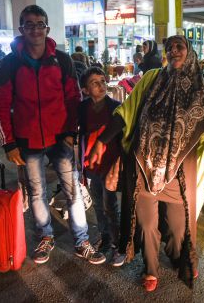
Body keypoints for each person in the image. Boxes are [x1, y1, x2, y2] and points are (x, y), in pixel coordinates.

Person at [89, 35, 204, 291]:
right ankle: (151, 268)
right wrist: (102, 141)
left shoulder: (201, 89)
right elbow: (125, 113)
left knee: (178, 227)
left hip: (181, 172)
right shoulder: (152, 79)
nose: (174, 51)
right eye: (170, 48)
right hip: (143, 166)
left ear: (190, 51)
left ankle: (179, 257)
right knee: (147, 223)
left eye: (179, 47)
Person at [0, 4, 105, 265]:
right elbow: (0, 106)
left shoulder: (62, 60)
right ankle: (45, 237)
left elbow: (72, 98)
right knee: (36, 192)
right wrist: (9, 143)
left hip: (59, 138)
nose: (35, 29)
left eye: (39, 24)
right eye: (29, 24)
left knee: (73, 190)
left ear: (47, 28)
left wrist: (70, 132)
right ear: (21, 29)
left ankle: (82, 240)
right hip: (27, 140)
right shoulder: (8, 64)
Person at [78, 67, 125, 266]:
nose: (101, 85)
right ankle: (105, 237)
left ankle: (118, 244)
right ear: (85, 90)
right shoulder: (82, 108)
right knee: (97, 203)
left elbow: (123, 135)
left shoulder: (116, 107)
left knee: (110, 205)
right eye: (95, 83)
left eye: (103, 81)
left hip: (109, 165)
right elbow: (78, 135)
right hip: (91, 165)